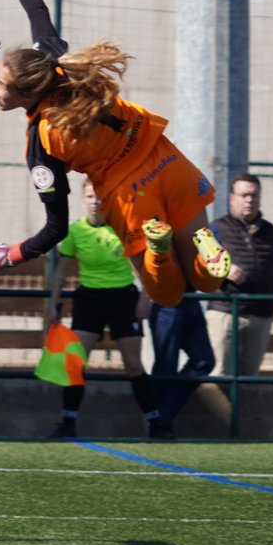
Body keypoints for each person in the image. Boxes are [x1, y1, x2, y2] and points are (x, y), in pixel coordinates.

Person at [0, 0, 233, 310]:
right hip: (168, 162)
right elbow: (37, 12)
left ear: (29, 93)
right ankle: (207, 241)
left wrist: (10, 255)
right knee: (210, 279)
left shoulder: (41, 142)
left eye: (2, 86)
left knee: (167, 294)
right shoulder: (55, 63)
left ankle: (159, 250)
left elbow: (56, 229)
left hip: (130, 195)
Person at [47, 179, 172, 439]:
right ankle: (67, 422)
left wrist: (145, 298)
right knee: (75, 362)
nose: (95, 202)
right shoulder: (75, 231)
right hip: (88, 300)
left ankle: (155, 423)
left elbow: (144, 265)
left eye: (99, 197)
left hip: (123, 299)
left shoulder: (123, 227)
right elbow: (60, 273)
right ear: (83, 199)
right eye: (90, 197)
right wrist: (53, 305)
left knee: (133, 364)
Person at [206, 174, 273, 379]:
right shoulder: (216, 228)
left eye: (254, 195)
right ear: (232, 198)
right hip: (225, 313)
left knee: (250, 378)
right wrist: (224, 270)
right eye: (244, 195)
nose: (249, 200)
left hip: (260, 316)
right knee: (220, 375)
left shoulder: (270, 231)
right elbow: (198, 264)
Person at [149, 297, 215, 424]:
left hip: (191, 301)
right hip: (166, 302)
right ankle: (158, 422)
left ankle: (161, 418)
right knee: (166, 368)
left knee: (204, 362)